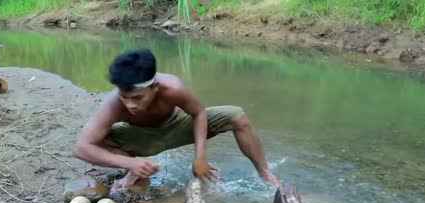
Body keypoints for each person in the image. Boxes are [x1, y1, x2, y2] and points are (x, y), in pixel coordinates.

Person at [73, 48, 280, 188]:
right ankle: (136, 171)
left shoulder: (173, 88)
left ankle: (264, 172)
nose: (130, 104)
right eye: (124, 97)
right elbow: (81, 147)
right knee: (98, 139)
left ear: (154, 87)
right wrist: (128, 162)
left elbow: (198, 113)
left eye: (137, 98)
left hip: (179, 126)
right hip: (141, 140)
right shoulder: (113, 104)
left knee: (238, 116)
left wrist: (200, 157)